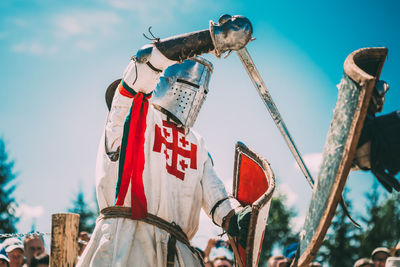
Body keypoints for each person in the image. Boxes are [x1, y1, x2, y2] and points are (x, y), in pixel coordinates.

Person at [77, 14, 253, 267]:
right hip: (125, 247)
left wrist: (237, 218)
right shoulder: (129, 115)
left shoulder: (197, 143)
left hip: (179, 253)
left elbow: (217, 199)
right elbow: (145, 60)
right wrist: (214, 39)